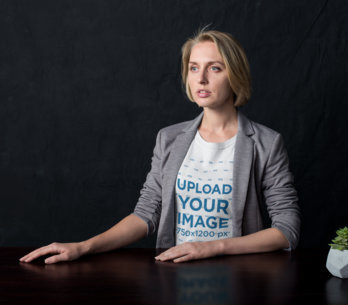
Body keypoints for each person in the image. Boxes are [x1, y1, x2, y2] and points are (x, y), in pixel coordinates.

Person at [20, 29, 300, 264]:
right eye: (194, 68)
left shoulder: (266, 142)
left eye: (214, 68)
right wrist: (83, 247)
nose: (201, 78)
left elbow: (287, 229)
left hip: (238, 277)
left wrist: (214, 246)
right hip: (176, 276)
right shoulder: (169, 139)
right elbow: (146, 213)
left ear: (235, 74)